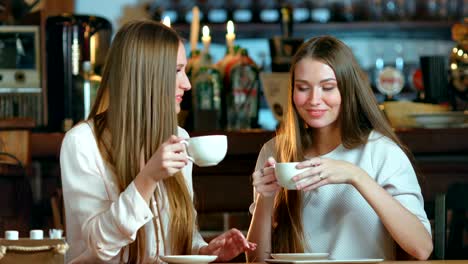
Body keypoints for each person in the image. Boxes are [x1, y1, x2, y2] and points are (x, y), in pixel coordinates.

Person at [60, 20, 256, 263]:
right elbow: (100, 245)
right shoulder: (82, 143)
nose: (187, 84)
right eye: (177, 71)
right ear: (145, 75)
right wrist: (148, 178)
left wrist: (203, 251)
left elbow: (176, 238)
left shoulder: (178, 137)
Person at [246, 36, 433, 261]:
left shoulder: (382, 152)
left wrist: (355, 175)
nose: (314, 99)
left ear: (347, 89)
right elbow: (256, 261)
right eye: (303, 88)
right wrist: (265, 201)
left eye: (328, 88)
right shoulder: (275, 151)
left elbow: (421, 248)